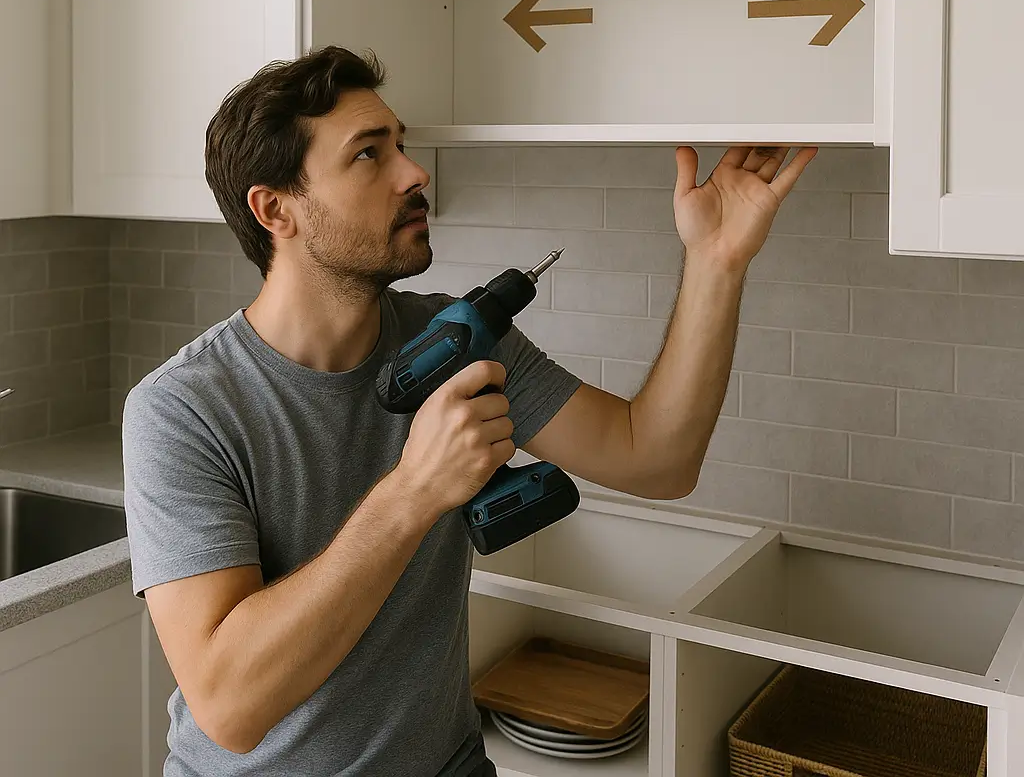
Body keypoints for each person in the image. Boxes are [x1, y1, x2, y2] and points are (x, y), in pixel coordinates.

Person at [121, 45, 816, 776]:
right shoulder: (184, 411)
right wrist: (416, 490)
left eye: (402, 145)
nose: (415, 172)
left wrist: (716, 262)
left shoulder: (454, 337)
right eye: (368, 154)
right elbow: (230, 708)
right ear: (276, 209)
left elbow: (658, 458)